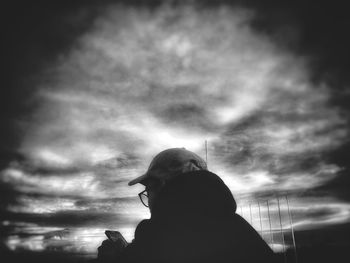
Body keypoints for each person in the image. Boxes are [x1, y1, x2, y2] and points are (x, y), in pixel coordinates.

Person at [98, 148, 276, 263]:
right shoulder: (239, 228)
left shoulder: (159, 237)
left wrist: (116, 258)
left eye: (149, 190)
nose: (148, 199)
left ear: (162, 185)